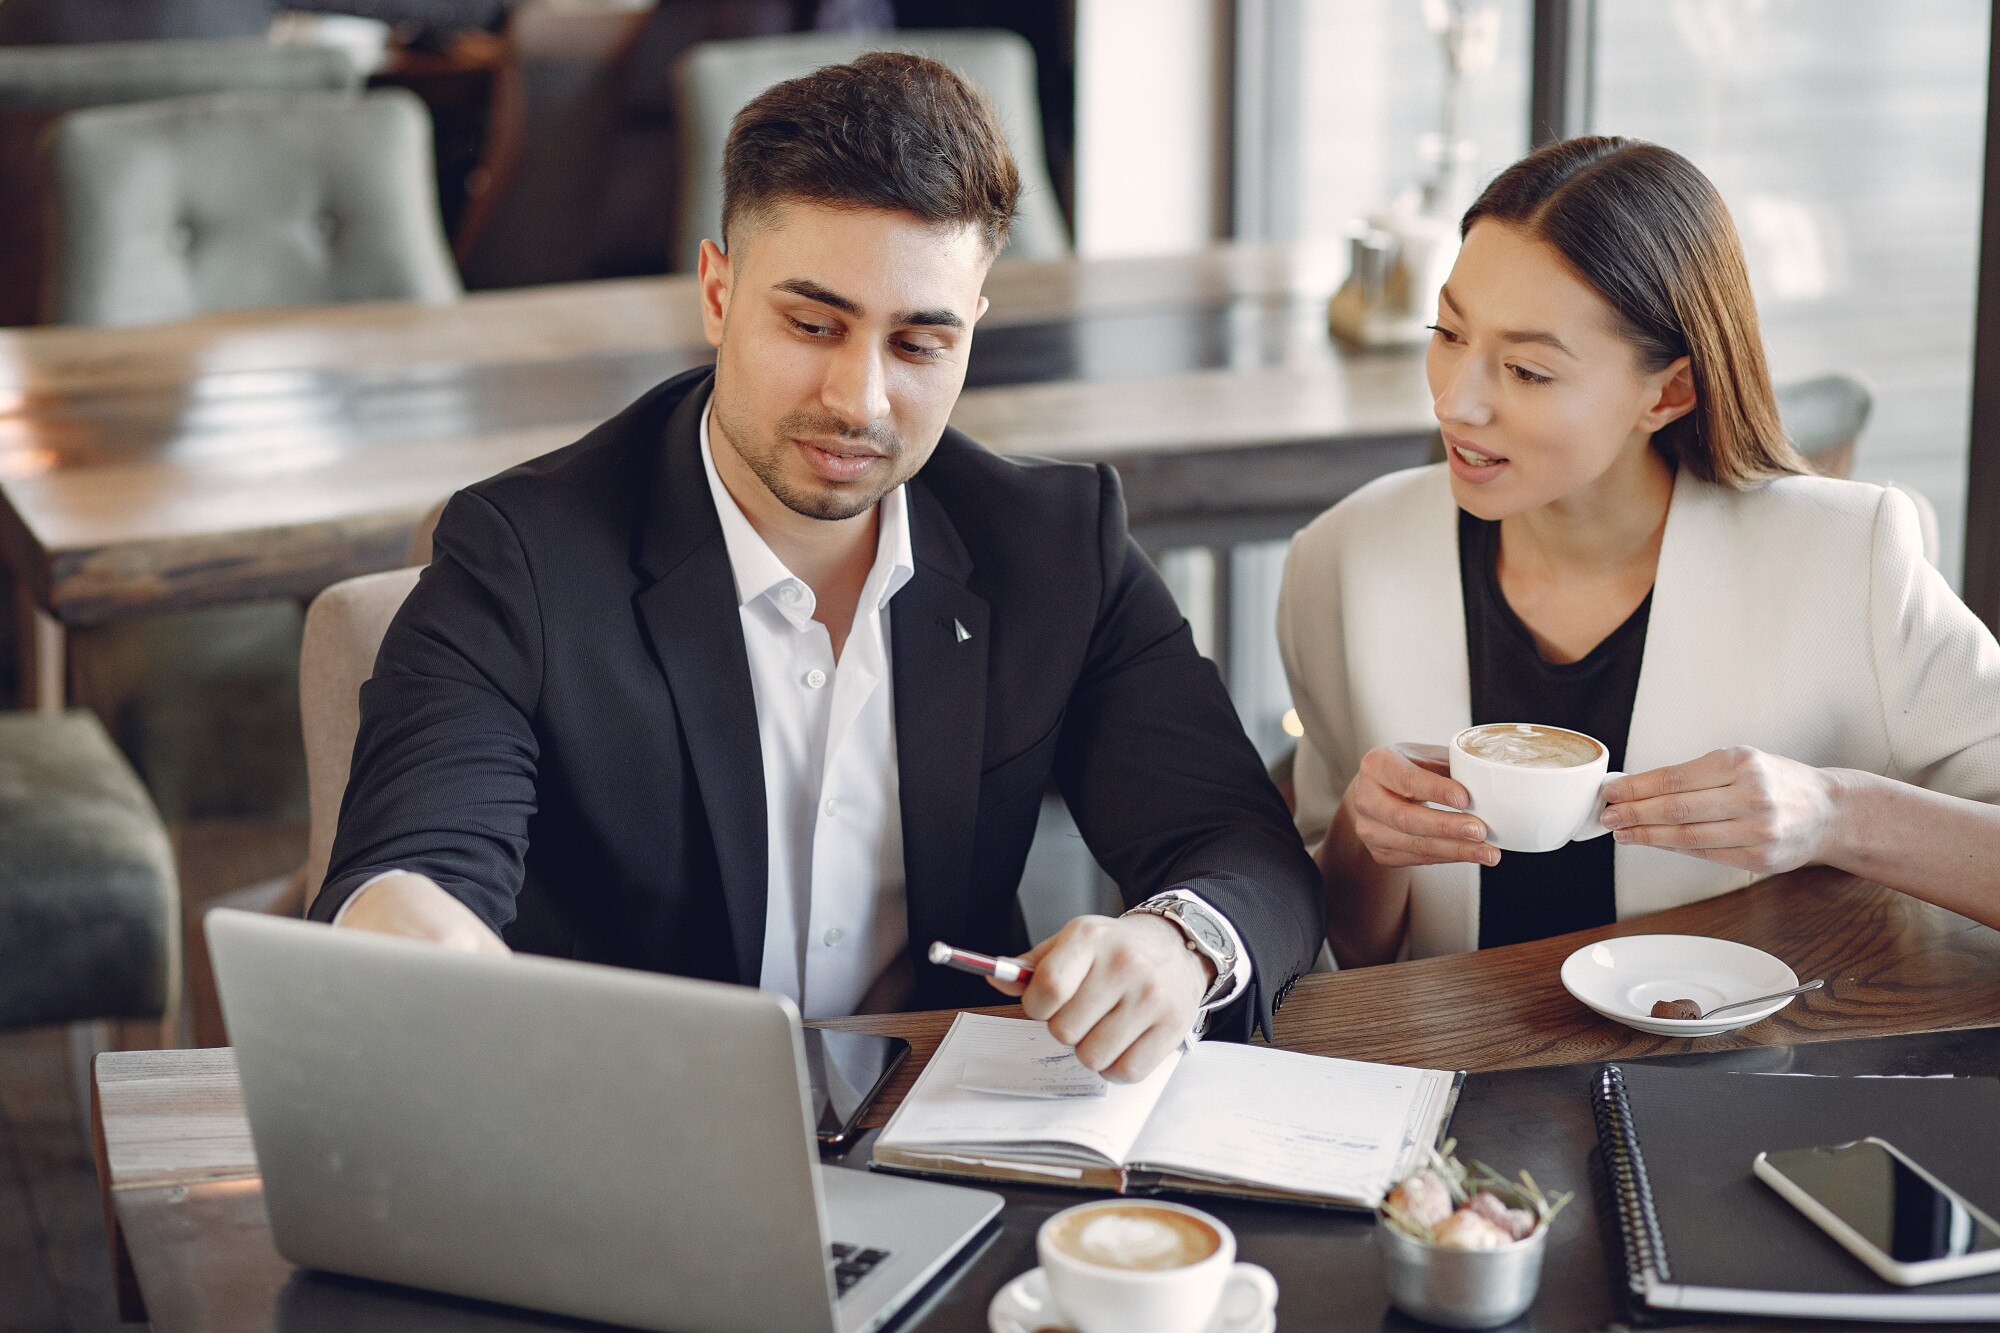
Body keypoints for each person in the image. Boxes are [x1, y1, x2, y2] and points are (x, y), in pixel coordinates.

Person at [315, 52, 1324, 1080]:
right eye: (811, 325)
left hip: (952, 1125)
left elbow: (1242, 849)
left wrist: (1178, 945)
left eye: (919, 344)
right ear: (718, 294)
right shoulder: (520, 554)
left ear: (971, 330)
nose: (859, 401)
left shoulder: (1056, 546)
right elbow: (414, 866)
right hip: (634, 1117)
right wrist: (403, 917)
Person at [1278, 135, 2000, 968]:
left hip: (1756, 1049)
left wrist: (1836, 814)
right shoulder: (1344, 560)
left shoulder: (1850, 560)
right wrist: (1365, 838)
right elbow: (1337, 959)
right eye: (1449, 332)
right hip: (1445, 1048)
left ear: (1669, 391)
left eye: (1527, 370)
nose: (1454, 401)